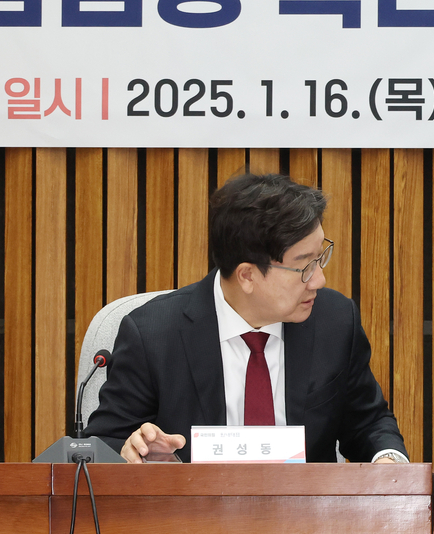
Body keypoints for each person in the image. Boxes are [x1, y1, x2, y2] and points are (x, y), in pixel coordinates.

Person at [85, 173, 407, 463]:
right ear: (247, 276)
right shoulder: (153, 334)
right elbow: (105, 444)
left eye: (319, 257)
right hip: (192, 521)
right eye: (304, 266)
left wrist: (388, 459)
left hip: (306, 520)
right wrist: (137, 452)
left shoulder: (334, 320)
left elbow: (367, 422)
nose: (319, 280)